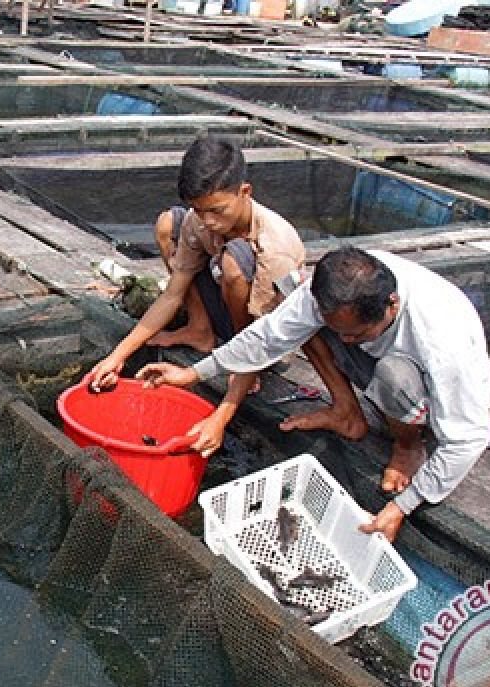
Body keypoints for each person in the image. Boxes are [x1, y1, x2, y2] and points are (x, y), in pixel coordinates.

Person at [137, 246, 490, 542]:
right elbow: (267, 337)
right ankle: (347, 411)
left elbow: (468, 439)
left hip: (421, 393)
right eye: (343, 332)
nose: (347, 342)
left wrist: (403, 506)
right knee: (290, 297)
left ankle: (407, 444)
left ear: (392, 304)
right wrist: (193, 372)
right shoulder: (334, 292)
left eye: (356, 334)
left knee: (394, 379)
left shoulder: (443, 340)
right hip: (372, 358)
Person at [88, 134, 365, 457]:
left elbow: (266, 338)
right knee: (169, 224)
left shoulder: (275, 246)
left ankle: (238, 362)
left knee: (234, 261)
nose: (208, 221)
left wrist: (221, 415)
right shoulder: (201, 220)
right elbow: (171, 294)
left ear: (244, 192)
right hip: (226, 307)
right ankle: (199, 329)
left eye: (216, 210)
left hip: (265, 331)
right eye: (199, 210)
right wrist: (116, 357)